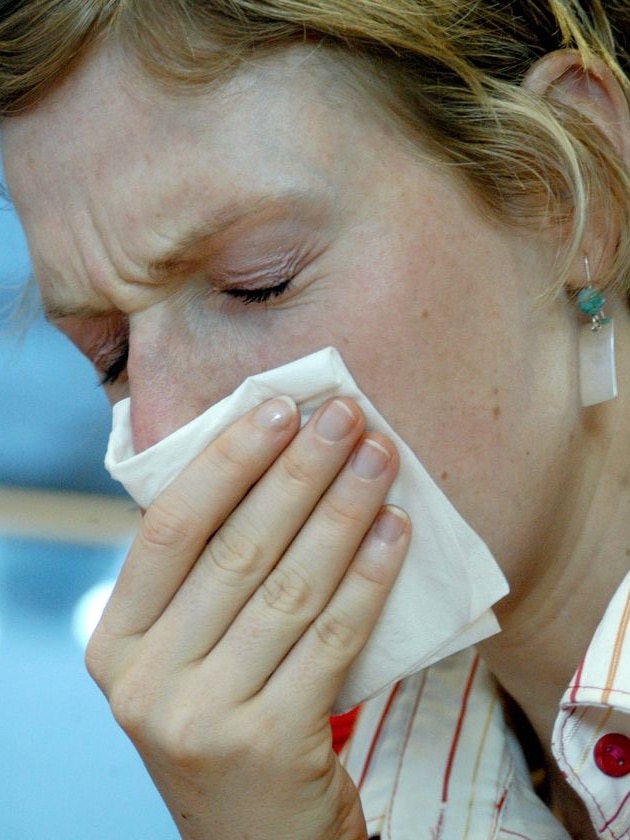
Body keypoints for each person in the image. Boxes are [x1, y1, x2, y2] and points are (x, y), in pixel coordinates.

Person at [1, 0, 629, 837]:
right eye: (109, 357)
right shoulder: (318, 778)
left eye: (254, 283)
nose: (157, 435)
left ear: (568, 189)